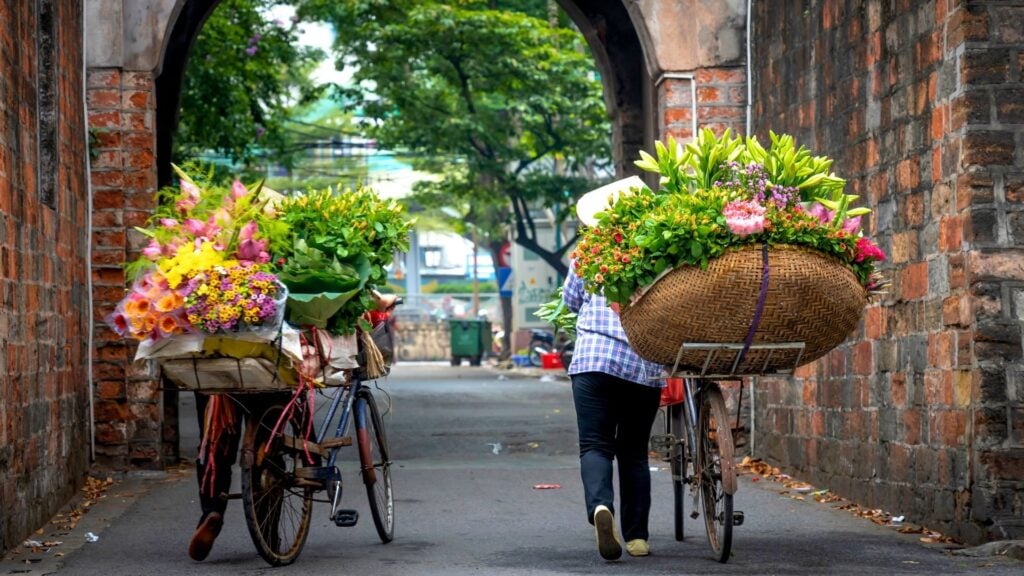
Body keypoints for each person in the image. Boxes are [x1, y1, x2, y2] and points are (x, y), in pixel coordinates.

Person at [562, 177, 664, 561]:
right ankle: (637, 537)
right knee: (634, 453)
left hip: (592, 361)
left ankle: (601, 508)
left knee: (595, 445)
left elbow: (571, 300)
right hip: (643, 363)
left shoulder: (588, 253)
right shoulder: (659, 252)